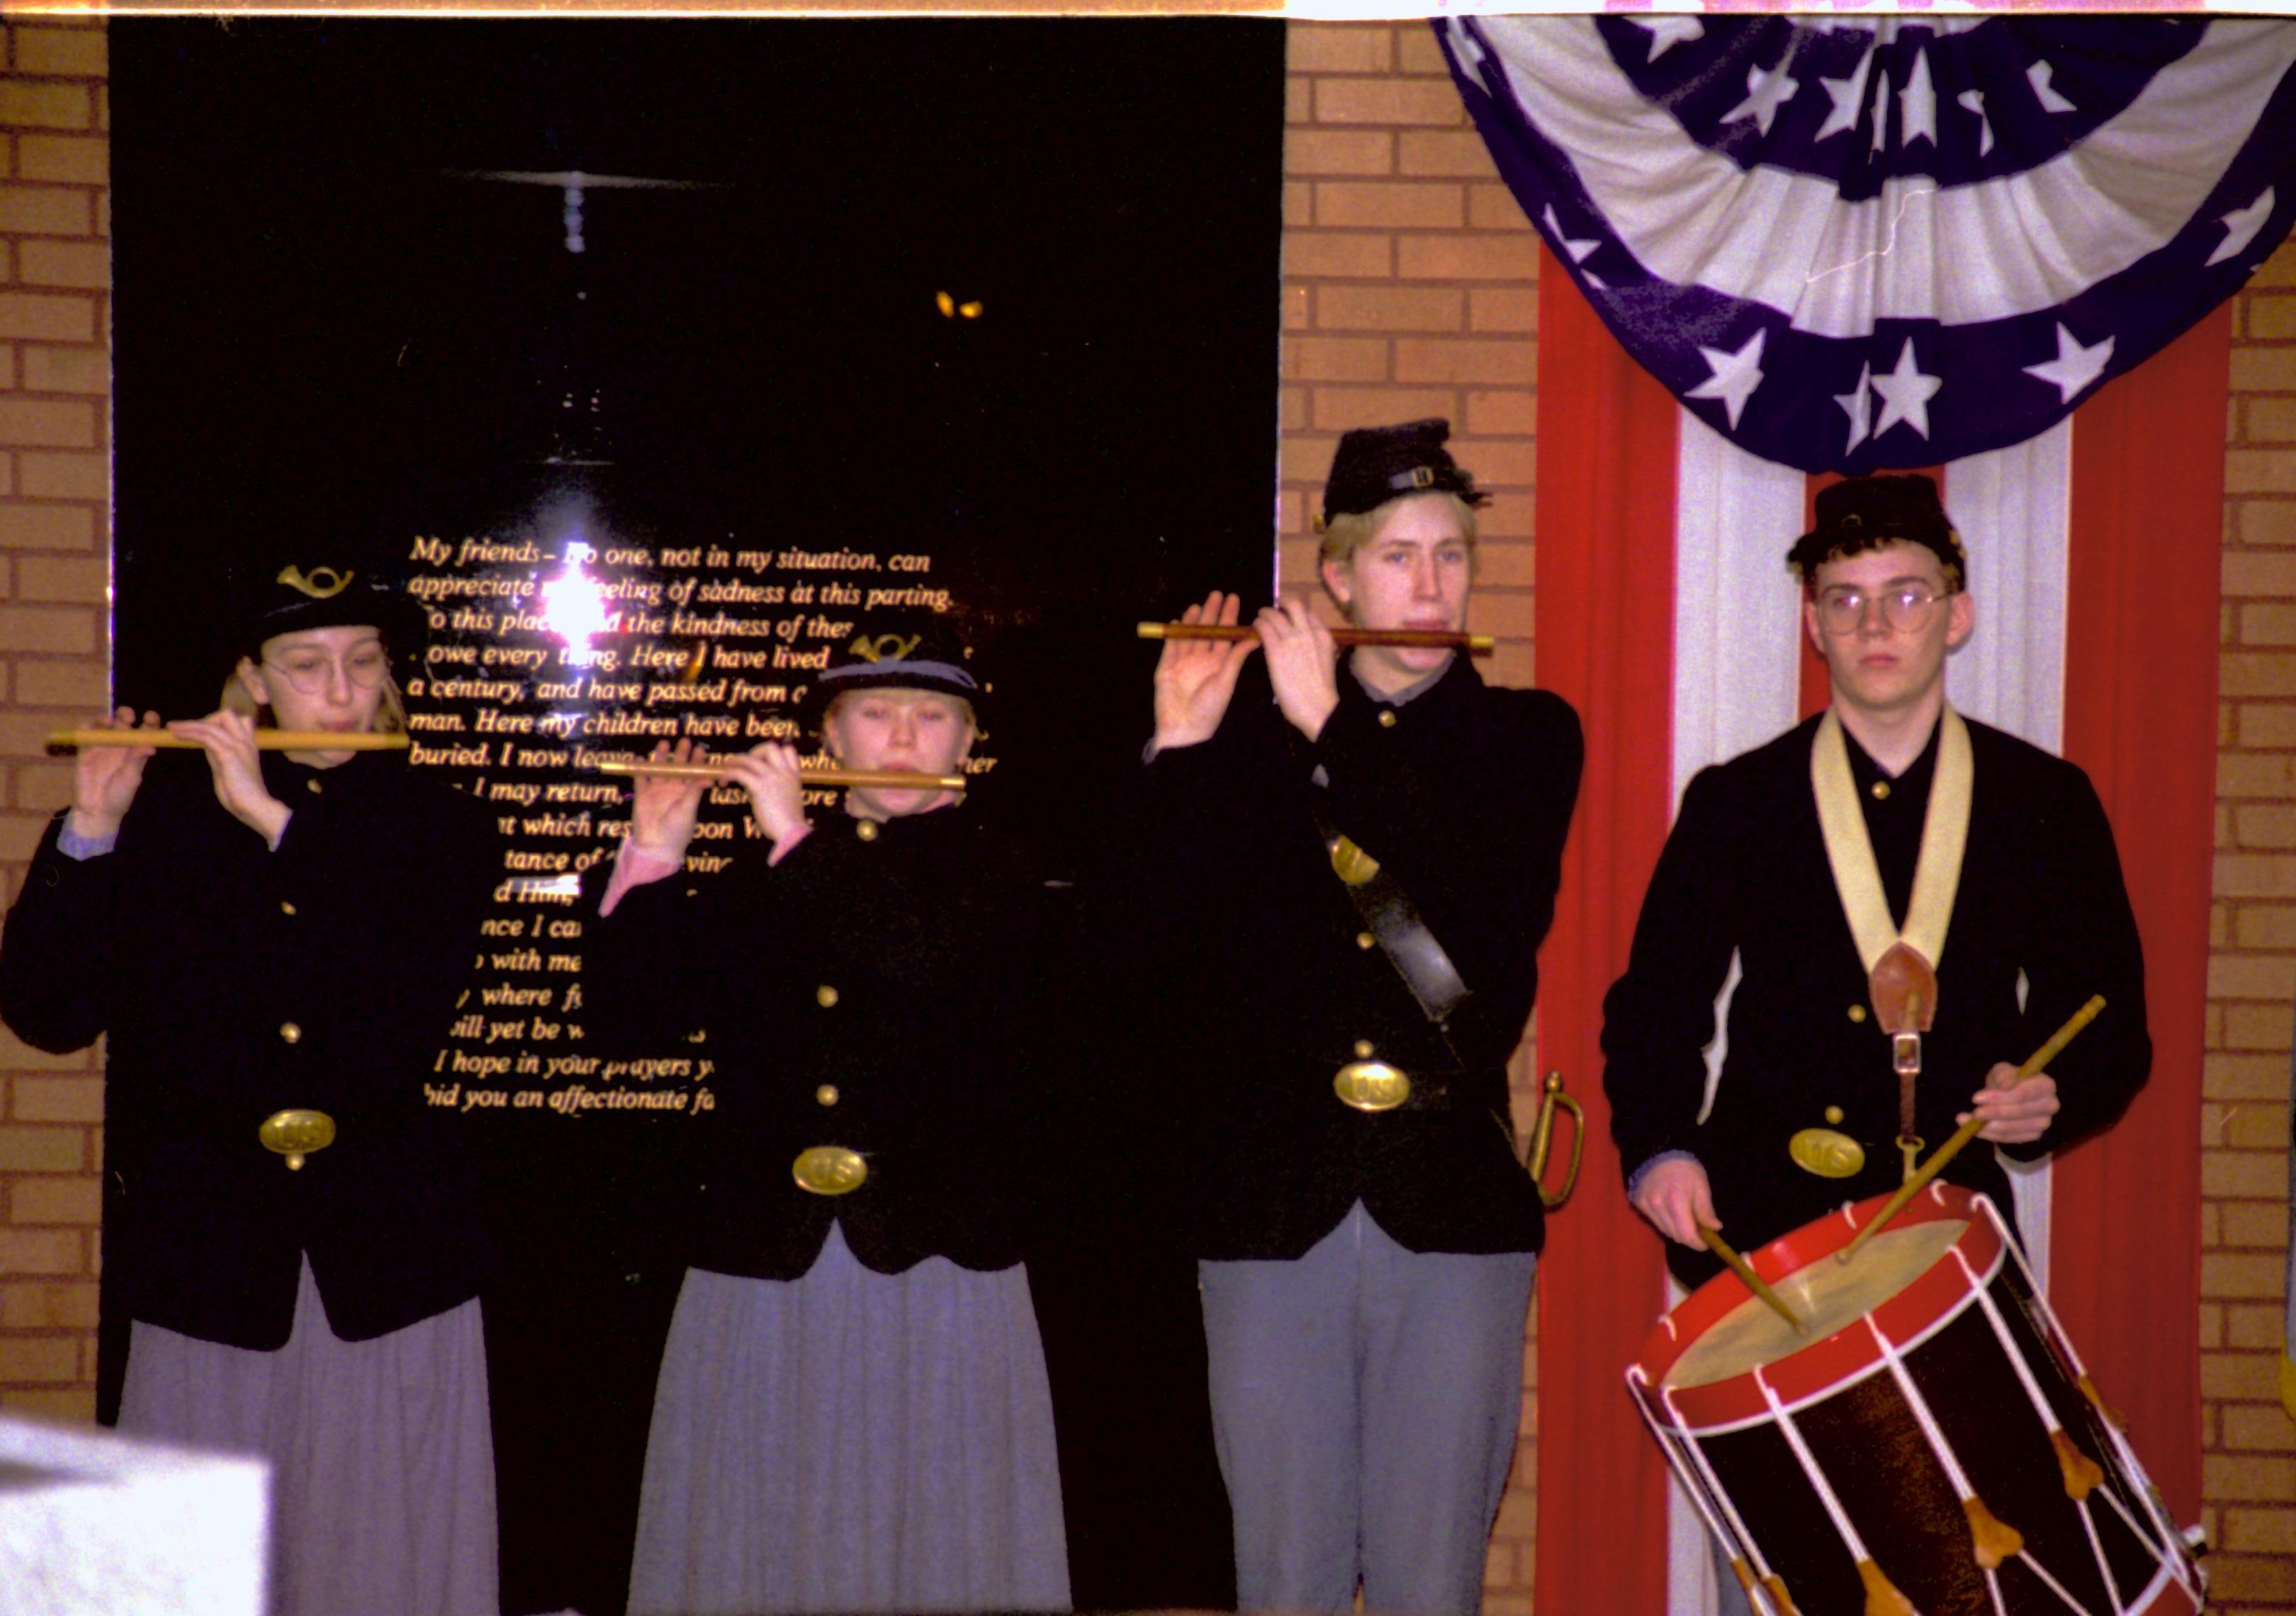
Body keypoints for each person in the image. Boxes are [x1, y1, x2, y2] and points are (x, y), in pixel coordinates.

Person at [1125, 420, 1582, 1616]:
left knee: (1434, 1579)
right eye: (1396, 557)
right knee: (1286, 1573)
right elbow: (1147, 956)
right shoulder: (1240, 741)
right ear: (1335, 575)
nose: (1429, 587)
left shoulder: (1526, 736)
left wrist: (1330, 724)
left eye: (1450, 556)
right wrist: (1177, 745)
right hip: (1272, 1197)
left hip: (1451, 1198)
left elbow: (1476, 932)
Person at [0, 563, 505, 1616]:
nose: (340, 689)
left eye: (363, 664)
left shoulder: (439, 823)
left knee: (385, 1542)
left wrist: (275, 821)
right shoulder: (171, 821)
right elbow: (50, 1016)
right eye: (307, 665)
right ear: (253, 681)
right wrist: (92, 833)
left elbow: (397, 993)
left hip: (387, 1250)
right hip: (213, 1248)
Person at [587, 627, 1069, 1616]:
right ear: (829, 729)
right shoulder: (771, 873)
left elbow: (915, 957)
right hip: (764, 1254)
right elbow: (625, 1026)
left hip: (938, 1260)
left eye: (932, 716)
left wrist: (795, 841)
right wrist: (654, 856)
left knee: (941, 1535)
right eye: (874, 714)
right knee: (754, 1530)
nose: (901, 737)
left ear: (966, 741)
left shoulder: (1004, 872)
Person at [1604, 473, 2149, 1290]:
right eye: (1845, 601)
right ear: (1814, 625)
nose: (1874, 627)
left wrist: (2051, 1094)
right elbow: (1658, 1007)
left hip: (1952, 1228)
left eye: (1906, 596)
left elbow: (2105, 1012)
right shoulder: (1739, 801)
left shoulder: (2041, 800)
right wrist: (1662, 1149)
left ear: (1956, 614)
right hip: (1765, 1228)